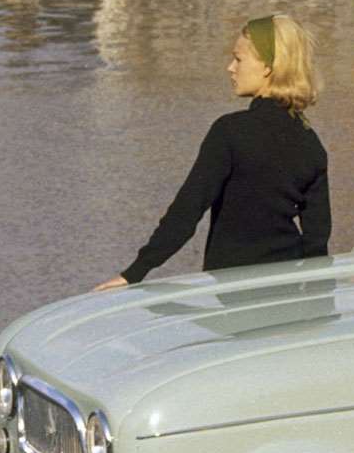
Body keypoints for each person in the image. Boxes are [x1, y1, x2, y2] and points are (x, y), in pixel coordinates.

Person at [93, 16, 331, 287]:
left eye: (239, 59)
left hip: (231, 290)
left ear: (267, 67)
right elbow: (317, 241)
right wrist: (320, 305)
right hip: (287, 290)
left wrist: (134, 273)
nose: (230, 68)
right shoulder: (310, 141)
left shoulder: (230, 132)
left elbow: (186, 212)